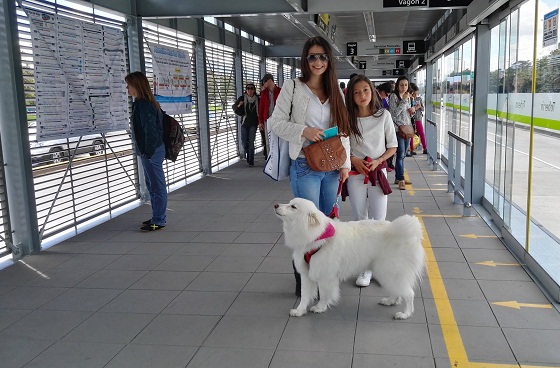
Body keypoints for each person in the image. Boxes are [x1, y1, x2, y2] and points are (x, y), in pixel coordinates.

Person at [268, 36, 351, 297]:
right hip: (305, 165)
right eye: (312, 56)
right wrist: (304, 130)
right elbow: (275, 123)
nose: (317, 61)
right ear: (306, 60)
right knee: (305, 226)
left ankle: (324, 276)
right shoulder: (293, 87)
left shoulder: (335, 90)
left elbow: (343, 131)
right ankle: (303, 281)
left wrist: (346, 164)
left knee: (327, 225)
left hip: (332, 167)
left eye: (322, 56)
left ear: (329, 60)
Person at [345, 75, 397, 287]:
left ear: (372, 91)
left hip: (378, 172)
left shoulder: (383, 115)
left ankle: (380, 265)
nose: (362, 95)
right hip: (356, 173)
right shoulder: (347, 118)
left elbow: (392, 146)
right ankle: (364, 266)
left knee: (379, 221)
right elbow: (342, 146)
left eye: (365, 90)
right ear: (351, 96)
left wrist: (378, 161)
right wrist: (353, 160)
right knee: (359, 220)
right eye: (356, 92)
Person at [126, 71, 167, 231]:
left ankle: (159, 220)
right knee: (153, 186)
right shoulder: (145, 103)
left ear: (137, 85)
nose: (127, 88)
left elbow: (151, 131)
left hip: (152, 152)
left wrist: (147, 152)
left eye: (129, 85)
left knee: (157, 187)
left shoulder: (144, 105)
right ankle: (157, 216)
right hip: (152, 151)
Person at [389, 76, 415, 190]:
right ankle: (401, 179)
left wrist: (412, 111)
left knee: (403, 155)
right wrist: (404, 100)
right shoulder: (393, 96)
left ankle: (397, 177)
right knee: (400, 154)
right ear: (397, 85)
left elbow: (406, 113)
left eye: (406, 85)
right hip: (398, 129)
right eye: (401, 85)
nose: (404, 87)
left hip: (407, 128)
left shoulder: (408, 97)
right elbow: (394, 114)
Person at [232, 83, 259, 166]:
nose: (250, 90)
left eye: (251, 89)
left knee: (251, 142)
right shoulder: (242, 98)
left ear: (254, 90)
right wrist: (239, 105)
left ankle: (251, 160)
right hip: (244, 123)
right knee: (244, 142)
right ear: (246, 90)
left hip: (253, 123)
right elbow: (234, 107)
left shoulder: (258, 99)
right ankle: (248, 155)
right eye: (248, 89)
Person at [258, 73, 281, 158]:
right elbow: (260, 109)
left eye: (264, 82)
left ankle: (278, 158)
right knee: (268, 141)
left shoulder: (280, 91)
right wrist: (260, 122)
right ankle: (270, 159)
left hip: (279, 120)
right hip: (267, 120)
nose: (263, 84)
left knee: (279, 140)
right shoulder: (263, 93)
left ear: (269, 80)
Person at [409, 82, 427, 154]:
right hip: (411, 119)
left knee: (421, 133)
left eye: (417, 93)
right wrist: (414, 108)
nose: (416, 95)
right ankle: (411, 149)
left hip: (418, 118)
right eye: (414, 94)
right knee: (411, 134)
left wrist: (419, 107)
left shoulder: (419, 99)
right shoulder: (409, 99)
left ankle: (425, 148)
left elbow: (423, 109)